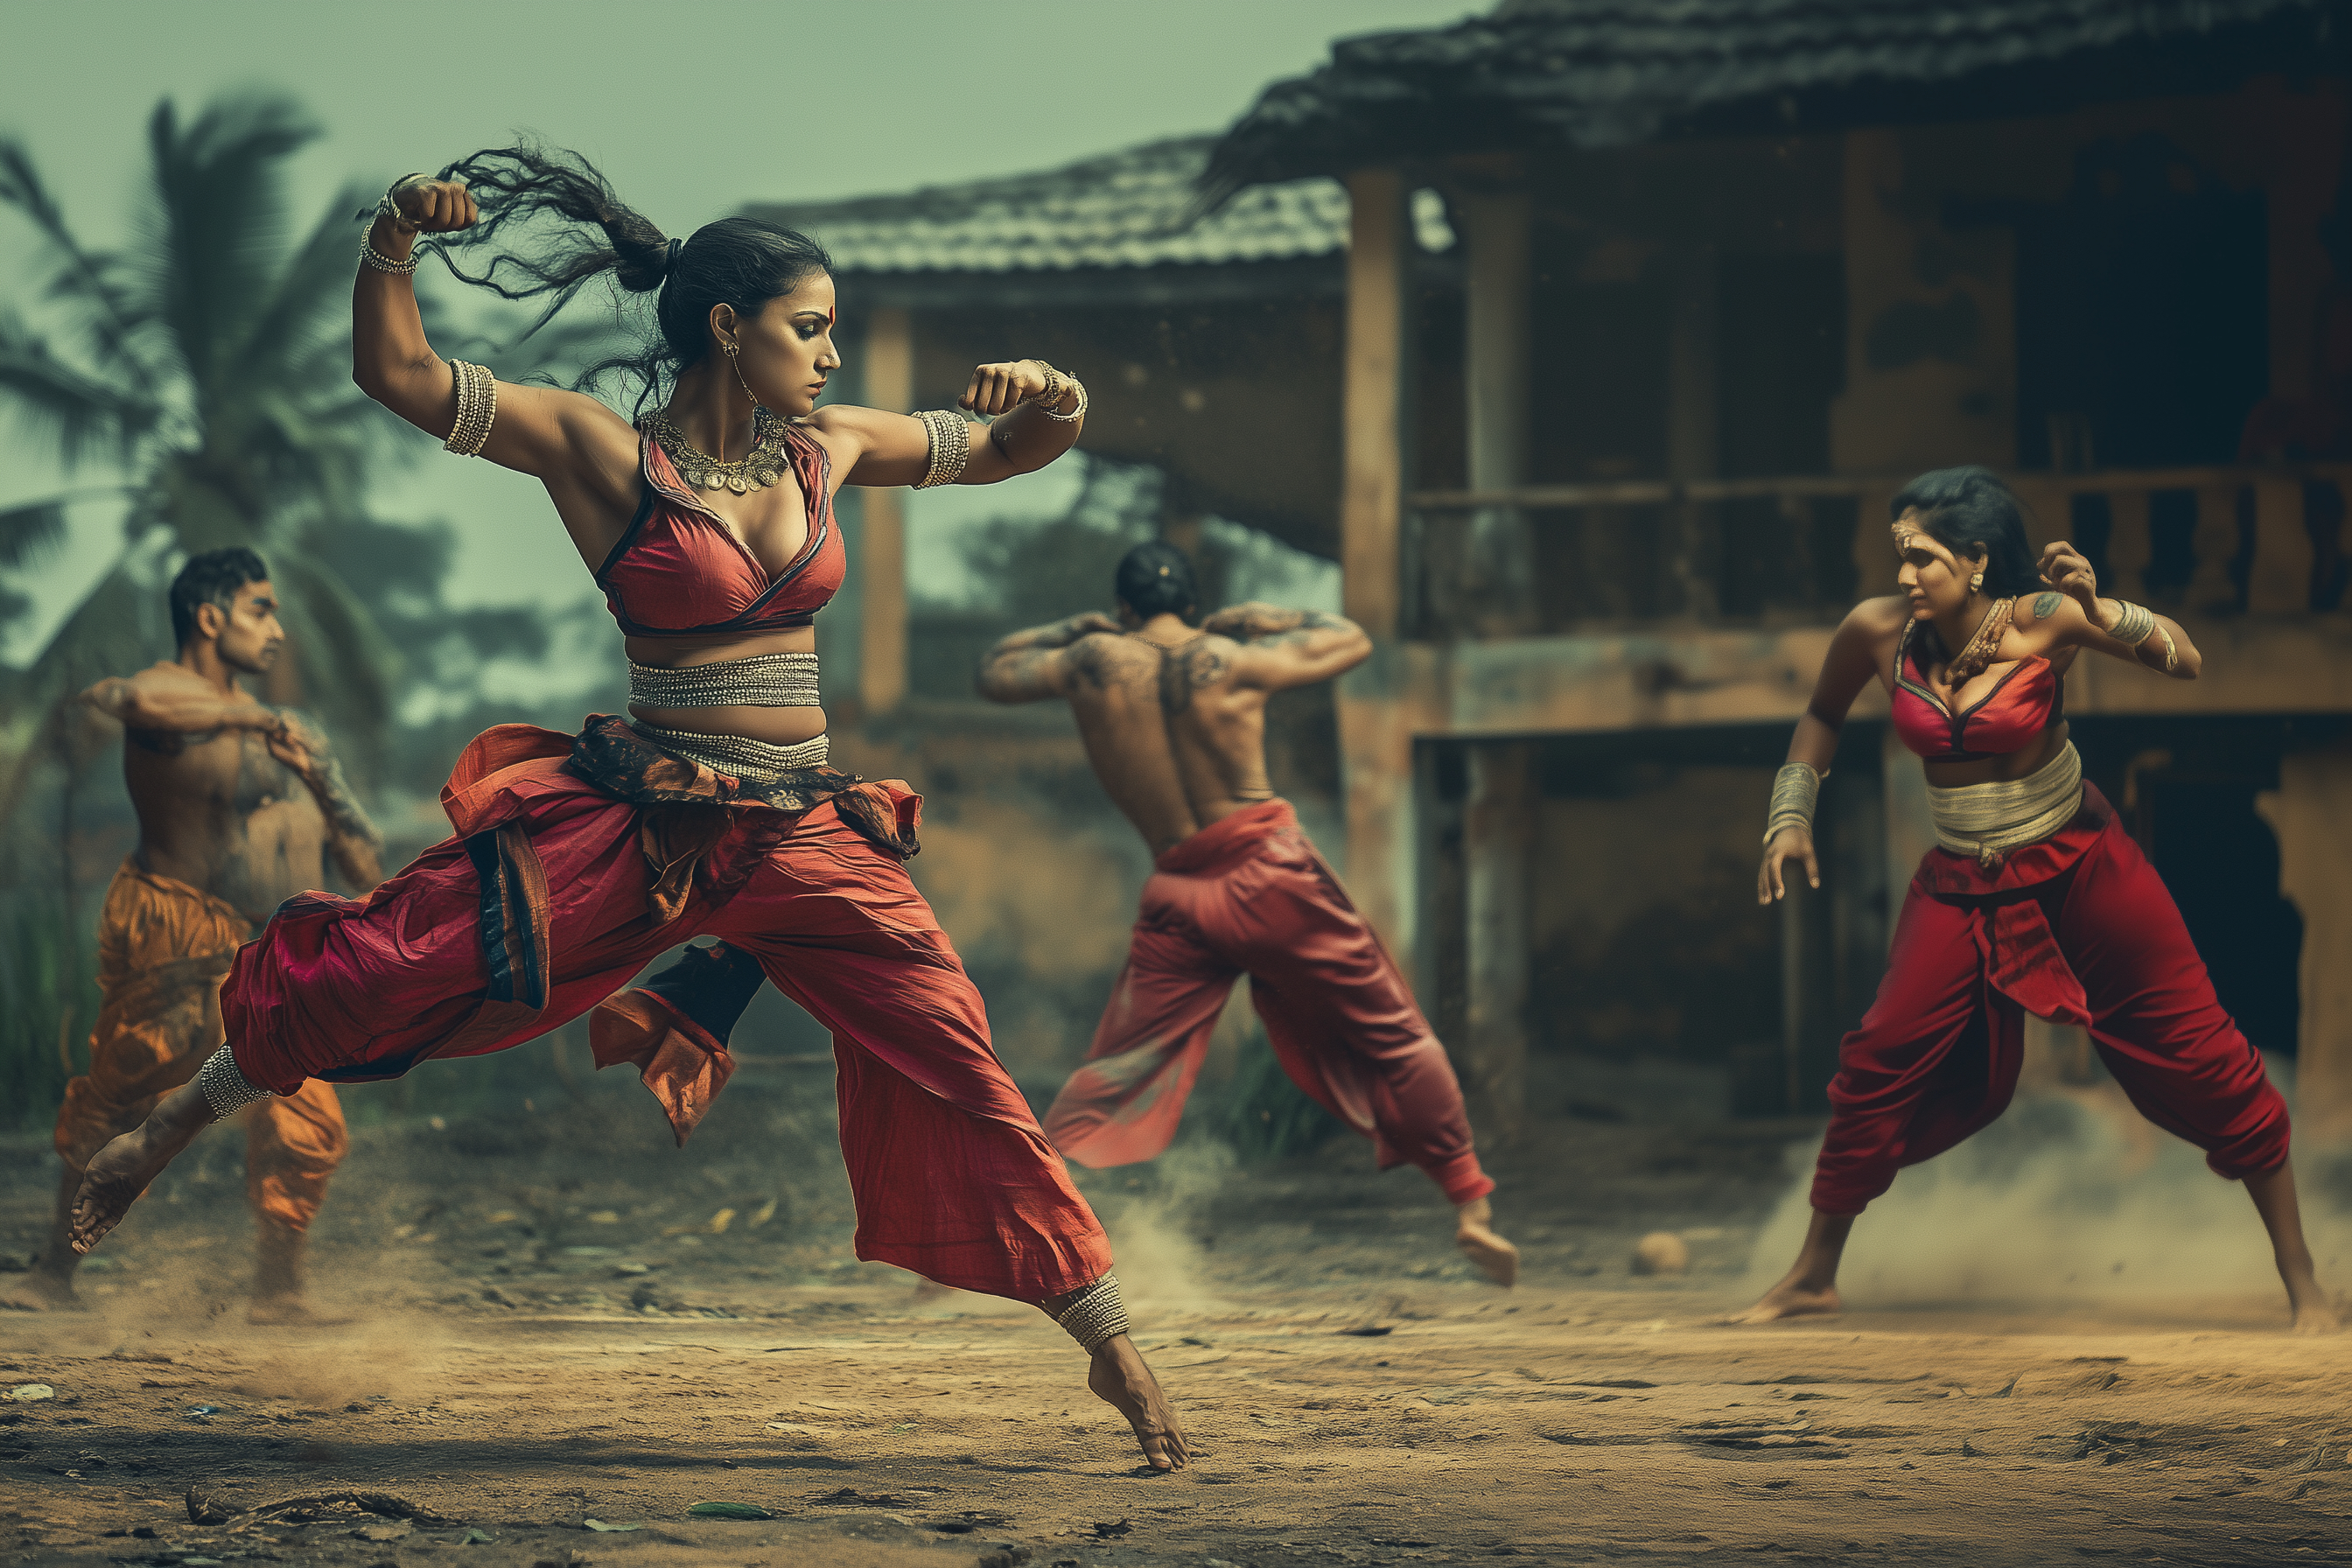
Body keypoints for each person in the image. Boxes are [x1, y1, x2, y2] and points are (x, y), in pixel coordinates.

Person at [64, 148, 1186, 1470]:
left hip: (806, 834)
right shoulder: (604, 456)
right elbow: (403, 380)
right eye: (810, 328)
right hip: (647, 829)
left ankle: (1113, 1343)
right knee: (398, 961)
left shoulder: (832, 450)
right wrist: (389, 243)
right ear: (729, 327)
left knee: (957, 1054)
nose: (831, 356)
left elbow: (1012, 448)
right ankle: (165, 1126)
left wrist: (1055, 393)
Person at [1735, 466, 2334, 1331]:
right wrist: (1790, 815)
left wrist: (2101, 607)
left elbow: (2186, 660)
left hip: (2082, 864)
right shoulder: (1876, 630)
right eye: (1901, 555)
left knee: (2201, 1051)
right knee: (1879, 1056)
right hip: (1959, 880)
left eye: (1924, 559)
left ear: (1977, 560)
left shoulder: (2043, 619)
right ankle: (1813, 1273)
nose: (1905, 576)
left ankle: (2303, 1280)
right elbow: (1822, 716)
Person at [971, 542, 1516, 1284]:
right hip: (1271, 875)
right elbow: (1350, 640)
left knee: (1116, 1069)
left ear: (1124, 609)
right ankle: (1470, 1210)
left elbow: (994, 671)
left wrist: (1069, 629)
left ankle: (1007, 1222)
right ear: (1193, 606)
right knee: (1392, 1030)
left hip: (1178, 892)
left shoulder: (1090, 662)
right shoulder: (1231, 659)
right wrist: (1270, 616)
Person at [0, 550, 382, 1322]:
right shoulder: (169, 696)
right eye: (260, 609)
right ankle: (52, 1275)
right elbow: (128, 701)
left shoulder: (285, 730)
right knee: (124, 1088)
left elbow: (363, 860)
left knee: (304, 1109)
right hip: (175, 926)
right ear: (210, 617)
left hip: (271, 949)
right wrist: (263, 719)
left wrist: (323, 778)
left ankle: (277, 1291)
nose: (277, 628)